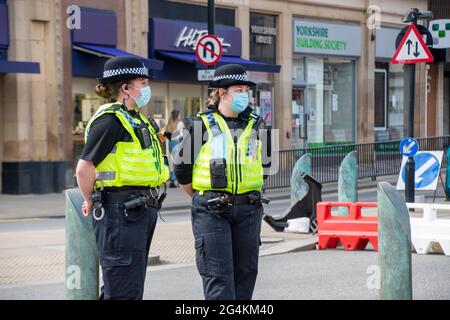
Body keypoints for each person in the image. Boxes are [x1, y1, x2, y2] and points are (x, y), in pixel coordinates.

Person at [174, 64, 272, 300]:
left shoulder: (258, 125)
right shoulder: (201, 125)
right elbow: (181, 170)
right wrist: (202, 197)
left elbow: (266, 165)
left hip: (248, 208)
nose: (243, 94)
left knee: (245, 275)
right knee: (219, 279)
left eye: (245, 89)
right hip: (212, 210)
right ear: (221, 93)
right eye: (238, 89)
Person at [76, 56, 169, 300]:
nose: (147, 87)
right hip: (120, 210)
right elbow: (84, 167)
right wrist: (90, 200)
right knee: (123, 290)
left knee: (128, 286)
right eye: (143, 82)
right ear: (126, 88)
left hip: (139, 209)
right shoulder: (110, 122)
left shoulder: (138, 119)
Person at [165, 110, 185, 188]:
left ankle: (172, 180)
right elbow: (182, 134)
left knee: (173, 161)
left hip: (171, 143)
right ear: (177, 116)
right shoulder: (180, 124)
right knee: (178, 162)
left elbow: (166, 134)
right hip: (177, 142)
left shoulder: (169, 124)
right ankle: (176, 180)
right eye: (179, 115)